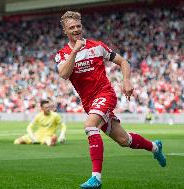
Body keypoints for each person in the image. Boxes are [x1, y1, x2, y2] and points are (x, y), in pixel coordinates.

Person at [54, 11, 166, 189]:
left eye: (78, 26)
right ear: (65, 31)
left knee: (90, 125)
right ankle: (155, 147)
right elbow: (64, 74)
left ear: (81, 27)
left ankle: (96, 178)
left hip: (105, 94)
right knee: (124, 140)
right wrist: (75, 51)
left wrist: (127, 80)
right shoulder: (62, 55)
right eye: (71, 27)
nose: (76, 29)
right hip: (89, 102)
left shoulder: (97, 46)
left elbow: (124, 62)